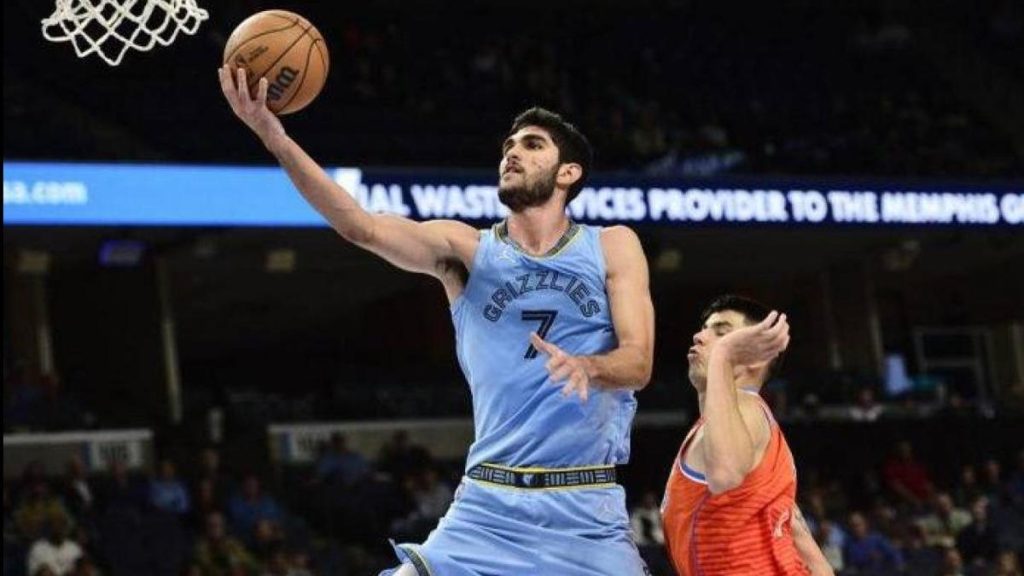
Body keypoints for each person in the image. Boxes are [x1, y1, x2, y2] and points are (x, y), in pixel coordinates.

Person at [219, 67, 655, 575]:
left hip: (585, 510)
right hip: (487, 510)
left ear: (568, 173)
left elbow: (639, 361)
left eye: (532, 145)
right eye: (508, 145)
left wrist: (591, 367)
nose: (511, 153)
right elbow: (360, 227)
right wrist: (275, 138)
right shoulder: (467, 250)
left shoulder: (612, 245)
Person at [661, 295, 832, 575]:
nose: (700, 336)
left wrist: (723, 357)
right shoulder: (750, 427)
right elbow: (813, 557)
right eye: (704, 328)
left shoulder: (746, 408)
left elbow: (725, 474)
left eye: (722, 333)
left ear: (757, 356)